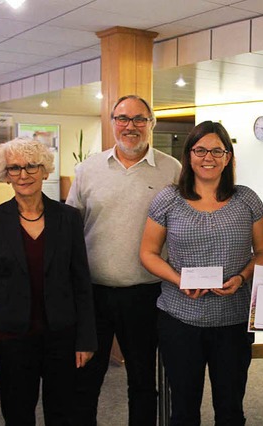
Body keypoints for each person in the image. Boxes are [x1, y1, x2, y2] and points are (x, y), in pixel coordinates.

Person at [139, 120, 263, 425]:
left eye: (216, 150)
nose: (208, 157)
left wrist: (241, 278)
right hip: (180, 321)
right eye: (200, 150)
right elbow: (147, 253)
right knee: (184, 410)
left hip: (233, 322)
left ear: (228, 157)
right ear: (189, 155)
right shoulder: (168, 199)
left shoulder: (246, 199)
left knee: (230, 409)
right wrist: (178, 279)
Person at [66, 95, 181, 426]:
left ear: (151, 123)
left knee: (143, 381)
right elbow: (71, 231)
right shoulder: (88, 169)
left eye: (139, 119)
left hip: (146, 294)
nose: (131, 126)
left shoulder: (171, 170)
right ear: (112, 122)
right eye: (123, 118)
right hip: (93, 295)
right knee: (86, 380)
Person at [0, 137, 97, 425]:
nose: (23, 174)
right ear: (6, 175)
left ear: (45, 170)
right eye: (14, 168)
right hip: (12, 339)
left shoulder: (69, 218)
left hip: (61, 337)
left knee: (62, 414)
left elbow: (81, 284)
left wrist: (86, 339)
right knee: (18, 414)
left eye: (32, 166)